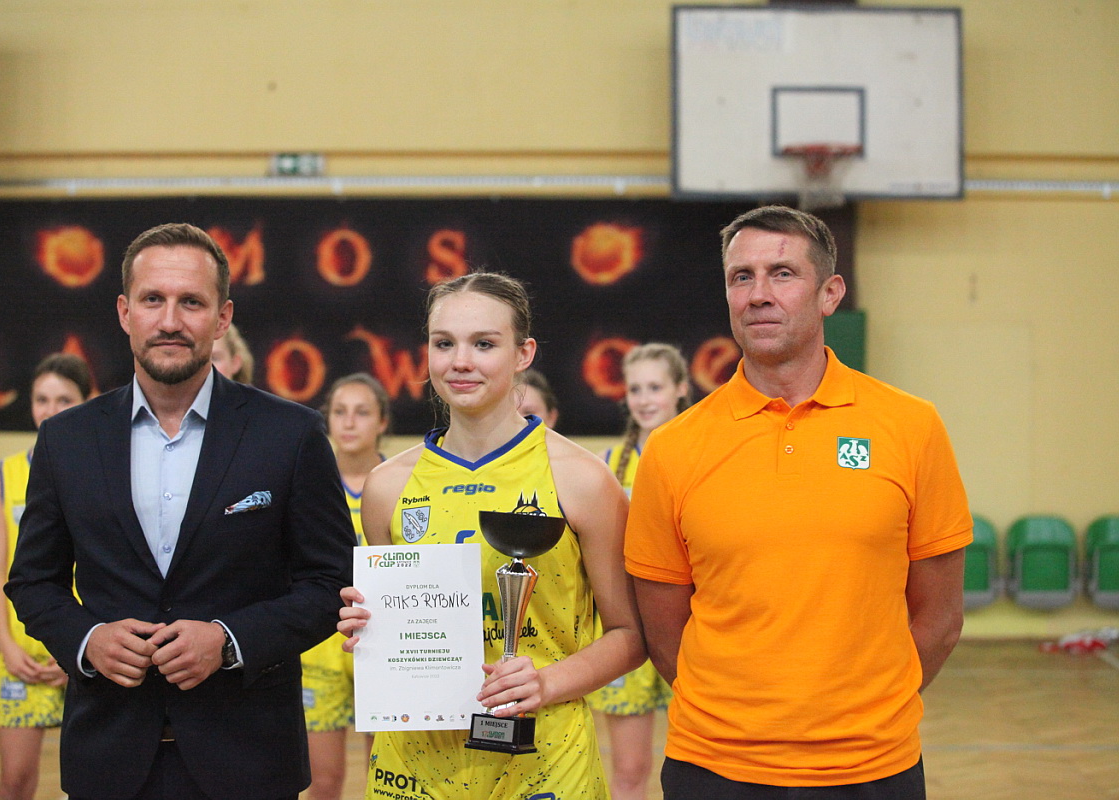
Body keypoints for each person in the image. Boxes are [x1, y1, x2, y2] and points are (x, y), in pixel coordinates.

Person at [625, 205, 971, 799]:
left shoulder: (912, 427)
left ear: (829, 294)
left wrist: (865, 714)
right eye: (742, 277)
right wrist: (742, 722)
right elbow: (663, 632)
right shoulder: (673, 448)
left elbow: (939, 618)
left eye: (782, 274)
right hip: (714, 768)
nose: (759, 294)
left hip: (873, 766)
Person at [5, 222, 355, 800]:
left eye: (191, 302)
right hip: (108, 757)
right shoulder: (66, 440)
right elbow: (32, 582)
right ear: (125, 312)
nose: (170, 321)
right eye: (153, 300)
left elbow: (330, 583)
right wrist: (88, 639)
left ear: (222, 318)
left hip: (249, 759)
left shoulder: (290, 434)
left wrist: (229, 640)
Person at [339, 271, 645, 800]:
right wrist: (370, 629)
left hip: (545, 763)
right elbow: (395, 629)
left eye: (484, 344)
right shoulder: (387, 487)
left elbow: (630, 635)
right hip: (414, 767)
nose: (461, 361)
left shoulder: (582, 479)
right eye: (444, 344)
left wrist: (546, 681)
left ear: (523, 353)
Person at [0, 354, 90, 800]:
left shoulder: (101, 469)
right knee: (14, 782)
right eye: (41, 399)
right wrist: (6, 646)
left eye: (64, 399)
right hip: (23, 656)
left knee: (90, 784)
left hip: (84, 655)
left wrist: (81, 649)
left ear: (88, 401)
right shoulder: (10, 470)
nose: (50, 410)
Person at [589, 343, 690, 800]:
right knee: (630, 770)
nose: (645, 399)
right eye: (635, 389)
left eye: (655, 387)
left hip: (692, 628)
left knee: (701, 766)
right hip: (628, 630)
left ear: (680, 388)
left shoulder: (702, 454)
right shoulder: (607, 466)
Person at [301, 373, 389, 800]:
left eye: (362, 412)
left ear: (382, 421)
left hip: (383, 639)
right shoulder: (307, 482)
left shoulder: (401, 483)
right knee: (323, 781)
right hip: (320, 645)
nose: (349, 422)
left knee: (384, 780)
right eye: (339, 412)